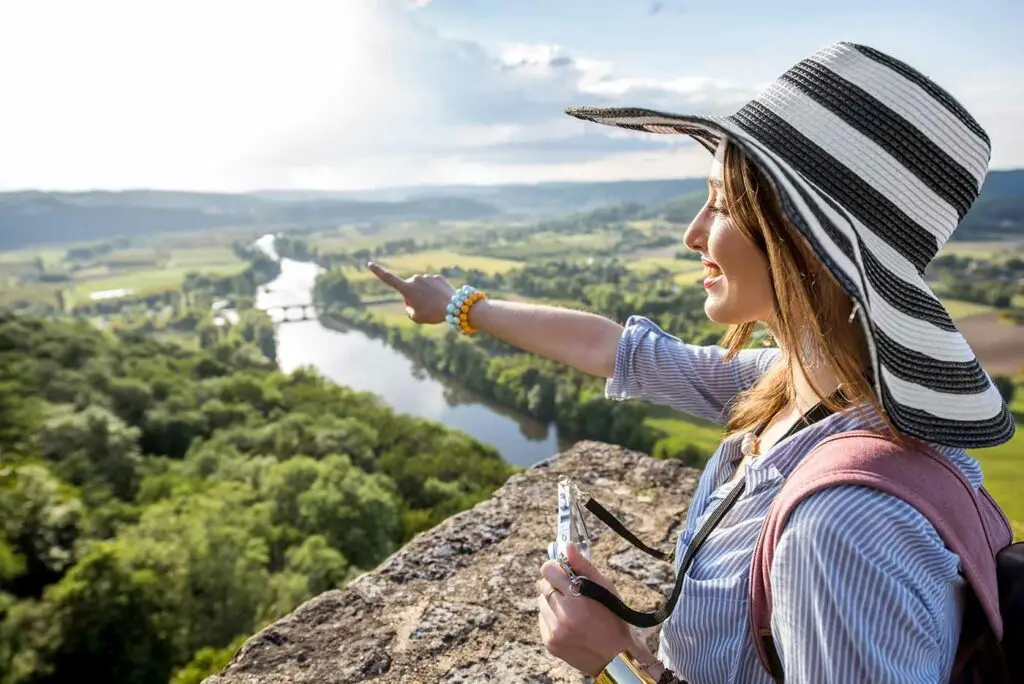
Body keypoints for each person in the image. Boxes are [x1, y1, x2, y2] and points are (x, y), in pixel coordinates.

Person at [368, 41, 1015, 684]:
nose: (693, 232)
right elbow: (617, 351)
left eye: (724, 203)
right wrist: (458, 305)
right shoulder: (798, 389)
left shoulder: (839, 529)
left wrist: (616, 664)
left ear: (806, 242)